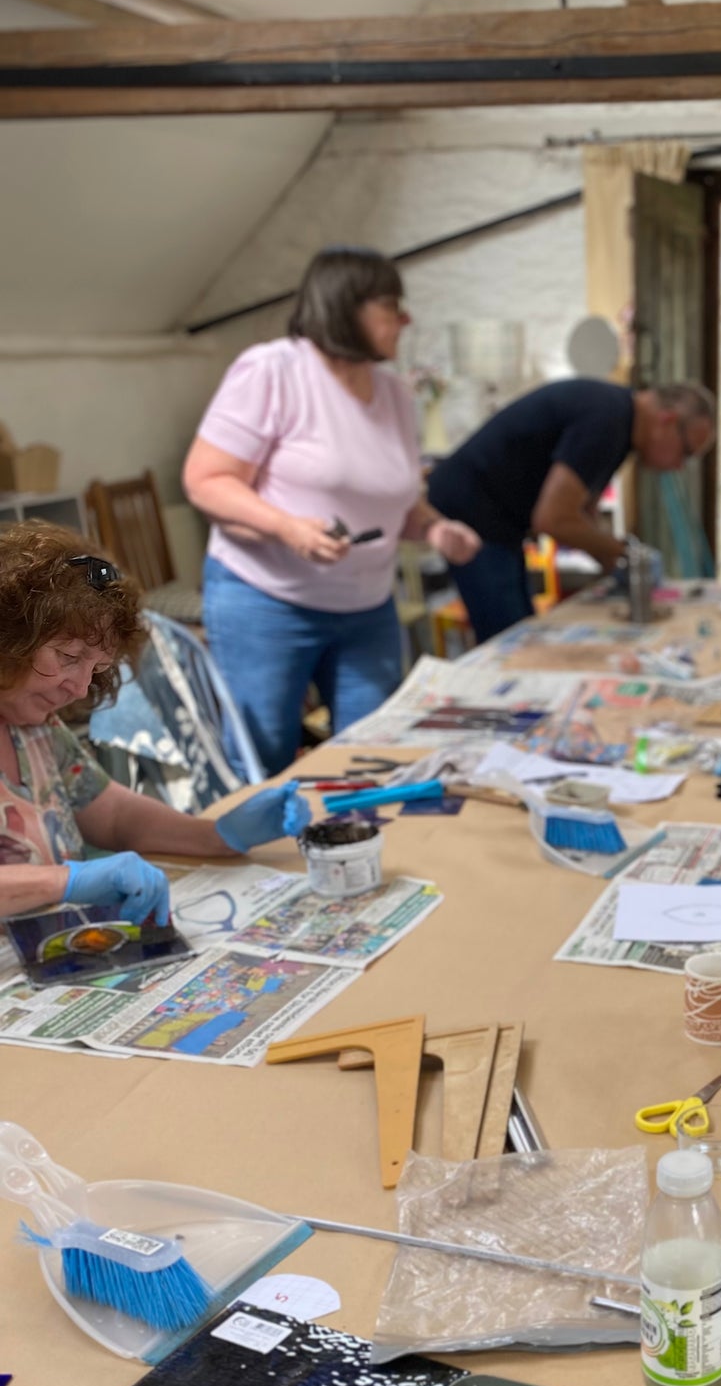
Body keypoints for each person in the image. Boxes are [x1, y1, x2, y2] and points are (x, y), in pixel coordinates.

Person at [183, 246, 482, 776]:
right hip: (267, 601)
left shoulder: (393, 393)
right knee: (263, 761)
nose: (406, 320)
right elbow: (206, 480)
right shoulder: (273, 370)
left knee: (372, 758)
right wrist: (287, 527)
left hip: (367, 607)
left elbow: (393, 499)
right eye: (391, 306)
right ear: (345, 307)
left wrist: (435, 529)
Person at [0, 522, 309, 925]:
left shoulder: (37, 728)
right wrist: (64, 882)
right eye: (69, 657)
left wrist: (217, 835)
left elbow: (112, 814)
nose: (79, 689)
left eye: (96, 670)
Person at [425, 379, 717, 643]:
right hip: (474, 512)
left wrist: (615, 563)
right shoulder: (607, 418)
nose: (679, 466)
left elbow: (583, 513)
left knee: (524, 628)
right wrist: (626, 552)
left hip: (499, 518)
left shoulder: (620, 420)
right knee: (510, 640)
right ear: (667, 421)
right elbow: (553, 519)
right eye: (686, 452)